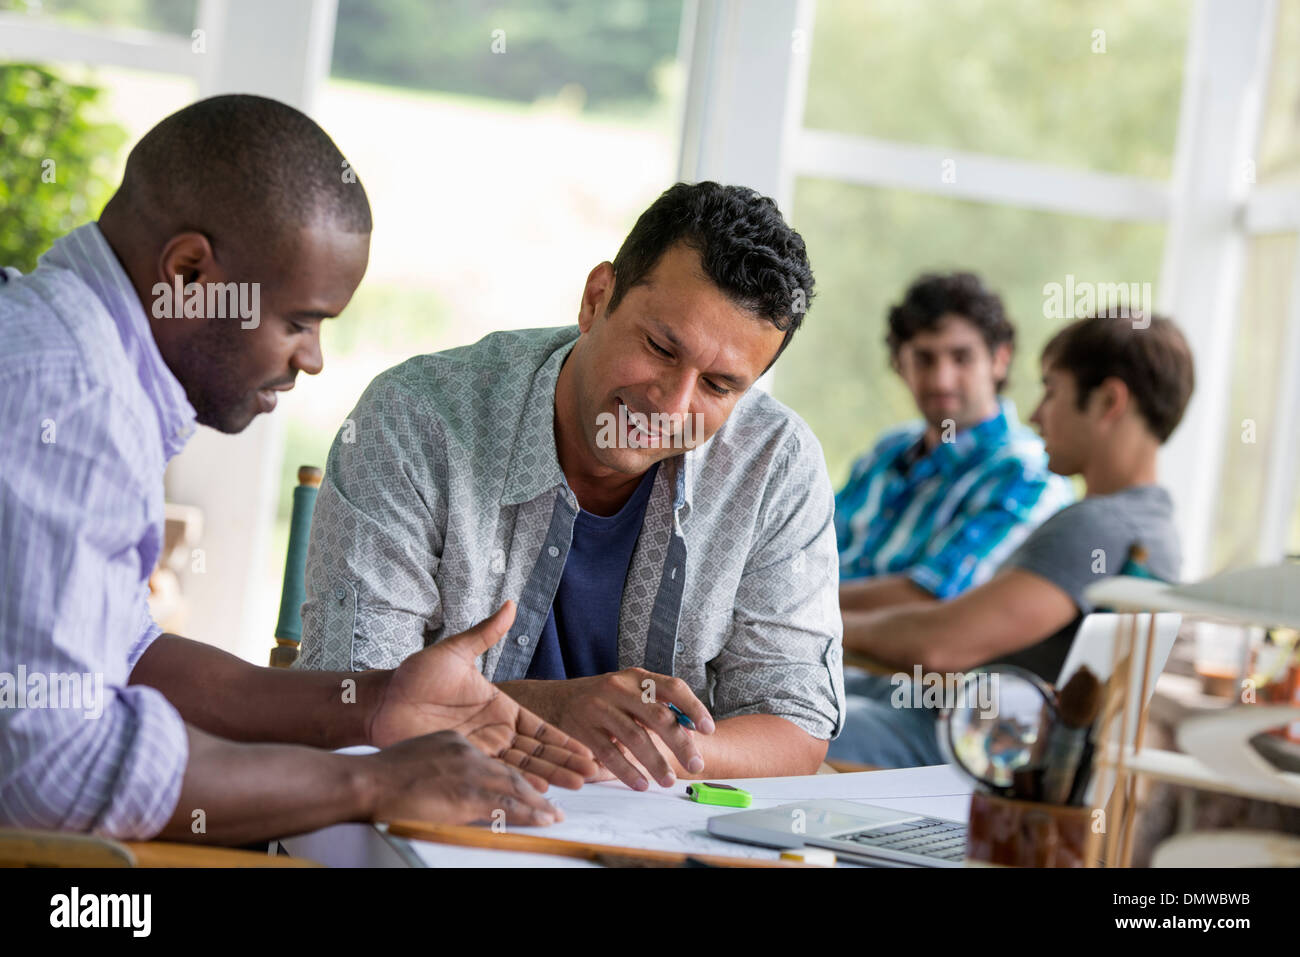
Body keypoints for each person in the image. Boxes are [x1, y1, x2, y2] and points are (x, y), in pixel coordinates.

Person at [0, 94, 595, 846]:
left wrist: (377, 704)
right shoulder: (73, 397)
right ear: (189, 272)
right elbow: (53, 766)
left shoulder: (67, 349)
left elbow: (124, 652)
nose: (310, 358)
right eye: (299, 320)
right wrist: (373, 782)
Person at [299, 181, 845, 789]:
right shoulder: (417, 419)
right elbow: (345, 693)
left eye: (719, 387)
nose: (672, 404)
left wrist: (635, 744)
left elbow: (794, 726)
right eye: (661, 347)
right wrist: (551, 714)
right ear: (596, 298)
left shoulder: (776, 463)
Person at [828, 313, 1194, 769]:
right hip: (944, 711)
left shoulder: (1098, 527)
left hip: (952, 745)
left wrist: (819, 624)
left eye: (1051, 390)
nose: (1038, 413)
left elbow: (939, 645)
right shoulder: (1157, 530)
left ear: (1108, 401)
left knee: (766, 719)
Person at [836, 272, 1072, 613]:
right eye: (924, 359)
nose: (941, 380)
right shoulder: (886, 452)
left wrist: (797, 605)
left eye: (961, 358)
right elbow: (803, 554)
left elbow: (935, 598)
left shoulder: (1028, 473)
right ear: (900, 364)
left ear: (999, 360)